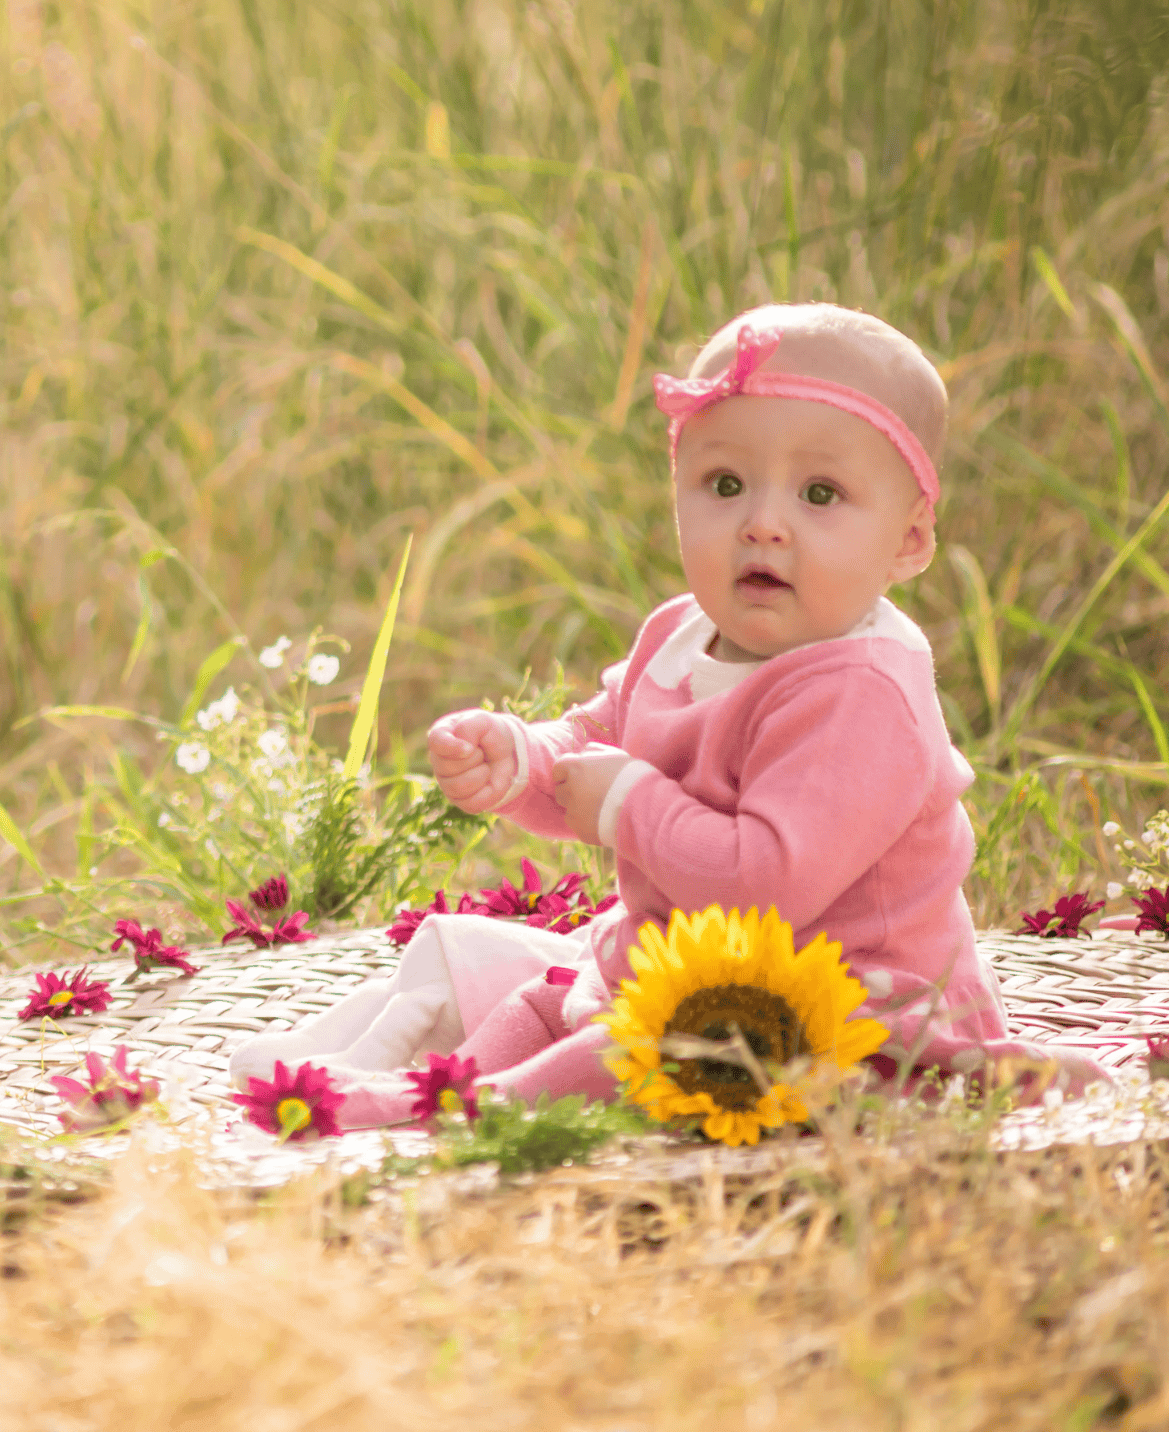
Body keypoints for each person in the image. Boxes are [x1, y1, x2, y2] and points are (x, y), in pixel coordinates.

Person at [229, 303, 1105, 1126]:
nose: (763, 524)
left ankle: (461, 1110)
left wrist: (627, 804)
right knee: (548, 996)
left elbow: (767, 881)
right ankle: (416, 1081)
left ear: (910, 540)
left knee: (644, 1047)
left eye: (821, 495)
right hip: (693, 967)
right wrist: (528, 760)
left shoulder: (864, 694)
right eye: (725, 483)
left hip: (840, 1010)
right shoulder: (682, 636)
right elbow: (598, 740)